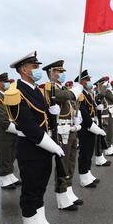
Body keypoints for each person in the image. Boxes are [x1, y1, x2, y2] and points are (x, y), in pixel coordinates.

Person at [6, 51, 63, 224]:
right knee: (30, 190)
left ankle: (41, 223)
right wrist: (53, 145)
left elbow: (43, 118)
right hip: (30, 147)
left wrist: (52, 112)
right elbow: (27, 126)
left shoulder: (36, 89)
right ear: (23, 69)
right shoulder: (15, 92)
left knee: (40, 187)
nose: (37, 70)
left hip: (42, 146)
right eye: (34, 67)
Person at [42, 60, 84, 211]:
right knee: (63, 163)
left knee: (71, 161)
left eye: (62, 71)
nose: (61, 74)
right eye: (58, 71)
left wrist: (76, 117)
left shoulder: (62, 87)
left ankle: (69, 190)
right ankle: (61, 196)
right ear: (51, 73)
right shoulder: (50, 88)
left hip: (71, 128)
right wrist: (75, 91)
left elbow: (70, 102)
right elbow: (63, 96)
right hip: (61, 131)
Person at [0, 73, 21, 190]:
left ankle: (10, 174)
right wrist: (18, 130)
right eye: (4, 81)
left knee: (11, 154)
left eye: (7, 81)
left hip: (11, 129)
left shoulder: (7, 95)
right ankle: (3, 179)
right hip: (2, 131)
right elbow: (2, 118)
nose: (7, 83)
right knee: (4, 156)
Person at [75, 70, 106, 189]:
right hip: (85, 126)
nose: (89, 82)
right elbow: (83, 112)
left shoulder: (88, 93)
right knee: (85, 152)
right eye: (87, 80)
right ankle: (83, 176)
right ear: (81, 81)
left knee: (89, 151)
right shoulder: (80, 94)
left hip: (92, 123)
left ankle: (88, 172)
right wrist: (92, 126)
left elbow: (92, 110)